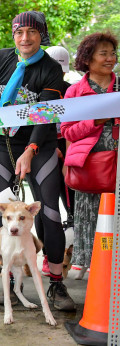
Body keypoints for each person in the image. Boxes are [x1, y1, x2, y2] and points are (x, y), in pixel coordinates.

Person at [0, 11, 76, 311]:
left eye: (32, 33)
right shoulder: (0, 59)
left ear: (41, 35)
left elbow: (47, 114)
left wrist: (31, 149)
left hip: (41, 143)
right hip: (3, 143)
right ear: (13, 35)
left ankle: (56, 283)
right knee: (7, 213)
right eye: (19, 32)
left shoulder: (50, 68)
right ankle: (12, 284)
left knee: (48, 211)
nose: (25, 38)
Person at [61, 32, 118, 271]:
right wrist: (95, 121)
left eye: (112, 53)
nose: (110, 58)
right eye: (103, 53)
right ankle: (98, 277)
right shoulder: (75, 92)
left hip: (117, 165)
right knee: (91, 219)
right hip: (90, 168)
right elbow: (67, 132)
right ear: (87, 58)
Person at [43, 45, 76, 275]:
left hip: (71, 151)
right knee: (46, 206)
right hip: (45, 150)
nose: (59, 74)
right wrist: (49, 147)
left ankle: (75, 254)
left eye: (61, 70)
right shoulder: (37, 89)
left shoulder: (72, 91)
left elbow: (74, 125)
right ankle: (48, 255)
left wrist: (67, 152)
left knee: (72, 206)